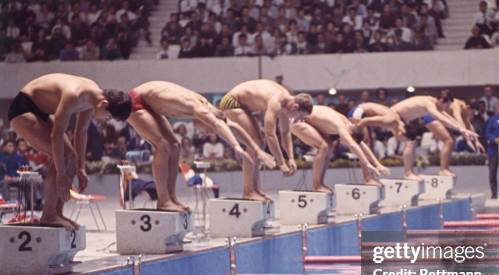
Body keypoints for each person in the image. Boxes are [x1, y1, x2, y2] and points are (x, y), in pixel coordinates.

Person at [8, 73, 132, 229]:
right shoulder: (74, 95)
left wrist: (80, 168)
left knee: (72, 158)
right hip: (23, 109)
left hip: (41, 112)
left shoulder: (93, 98)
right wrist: (61, 173)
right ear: (104, 104)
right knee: (64, 157)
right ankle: (49, 216)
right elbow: (57, 135)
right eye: (108, 116)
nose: (106, 120)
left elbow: (82, 132)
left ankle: (57, 213)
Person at [127, 81, 267, 211]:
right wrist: (236, 147)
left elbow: (230, 126)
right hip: (137, 101)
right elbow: (217, 125)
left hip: (149, 101)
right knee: (163, 146)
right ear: (204, 121)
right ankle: (163, 200)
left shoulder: (210, 109)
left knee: (175, 146)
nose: (206, 133)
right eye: (206, 130)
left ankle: (171, 197)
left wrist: (256, 149)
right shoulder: (201, 110)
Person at [218, 79, 313, 200]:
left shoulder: (286, 104)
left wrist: (291, 158)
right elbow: (270, 135)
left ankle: (255, 189)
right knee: (256, 143)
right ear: (295, 107)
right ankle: (248, 191)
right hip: (231, 101)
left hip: (242, 104)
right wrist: (281, 163)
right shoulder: (276, 101)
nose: (299, 120)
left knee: (259, 145)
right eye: (300, 116)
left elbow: (285, 133)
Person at [290, 105, 389, 192]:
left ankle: (320, 183)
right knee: (324, 147)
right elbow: (353, 145)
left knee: (329, 146)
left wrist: (378, 164)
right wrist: (367, 164)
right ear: (350, 135)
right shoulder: (343, 128)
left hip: (306, 119)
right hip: (298, 120)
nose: (344, 144)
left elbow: (361, 145)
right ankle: (316, 185)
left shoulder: (349, 125)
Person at [391, 95, 483, 178]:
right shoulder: (434, 105)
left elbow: (453, 120)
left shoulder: (436, 103)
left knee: (413, 141)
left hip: (402, 118)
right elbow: (447, 120)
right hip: (394, 116)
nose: (446, 108)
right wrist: (465, 135)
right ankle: (410, 172)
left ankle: (411, 172)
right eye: (446, 106)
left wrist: (475, 139)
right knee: (411, 142)